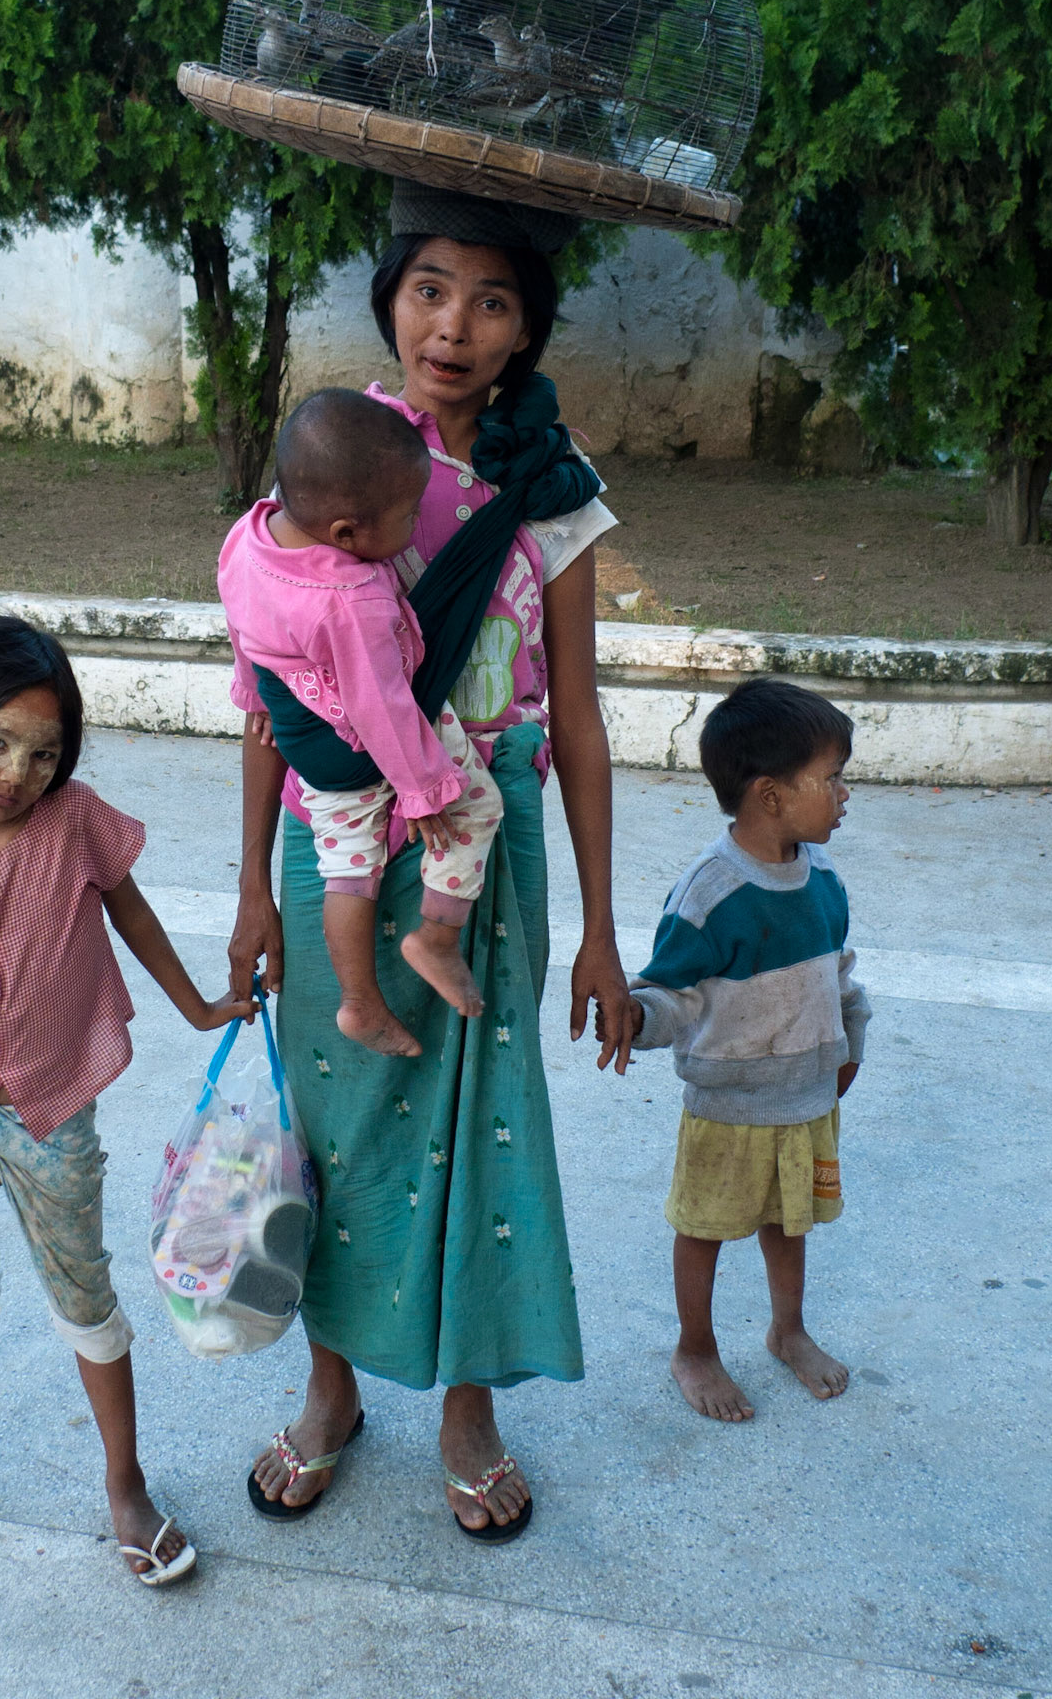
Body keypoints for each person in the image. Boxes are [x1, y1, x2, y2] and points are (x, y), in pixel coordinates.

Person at [229, 184, 641, 1544]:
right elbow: (266, 697)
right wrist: (249, 891)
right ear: (388, 296)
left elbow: (574, 718)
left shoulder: (552, 489)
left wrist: (597, 924)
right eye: (427, 290)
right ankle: (332, 1388)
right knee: (337, 1130)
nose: (452, 327)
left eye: (491, 300)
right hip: (337, 845)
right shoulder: (328, 459)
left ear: (527, 329)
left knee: (478, 1128)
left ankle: (467, 1407)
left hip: (488, 844)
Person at [0, 613, 254, 1583]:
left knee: (84, 1294)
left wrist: (197, 1005)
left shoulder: (72, 824)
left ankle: (125, 1483)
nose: (15, 772)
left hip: (54, 1110)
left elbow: (132, 908)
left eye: (43, 751)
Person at [219, 388, 506, 1058]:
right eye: (408, 515)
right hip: (366, 741)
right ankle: (436, 937)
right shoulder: (356, 597)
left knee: (349, 873)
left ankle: (359, 1002)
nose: (415, 527)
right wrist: (424, 789)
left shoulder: (248, 539)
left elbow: (243, 632)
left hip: (311, 747)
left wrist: (256, 697)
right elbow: (385, 704)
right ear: (347, 533)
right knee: (478, 810)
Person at [627, 678, 872, 1424]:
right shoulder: (710, 892)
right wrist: (630, 1020)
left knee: (788, 1222)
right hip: (728, 1110)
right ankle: (694, 1347)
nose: (844, 794)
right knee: (703, 1229)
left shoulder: (823, 878)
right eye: (831, 779)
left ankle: (786, 1330)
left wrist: (850, 1041)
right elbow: (670, 993)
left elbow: (839, 975)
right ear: (770, 794)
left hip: (806, 1099)